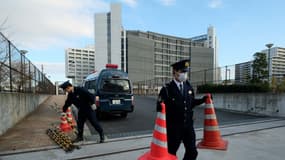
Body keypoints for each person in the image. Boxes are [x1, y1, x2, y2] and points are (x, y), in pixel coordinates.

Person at [156, 59, 207, 160]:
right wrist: (160, 105)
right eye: (182, 71)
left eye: (186, 72)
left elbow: (191, 103)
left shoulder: (188, 86)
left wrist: (202, 100)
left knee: (192, 152)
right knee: (171, 153)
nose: (185, 74)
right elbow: (159, 109)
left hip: (188, 126)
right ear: (175, 72)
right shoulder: (167, 89)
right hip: (173, 128)